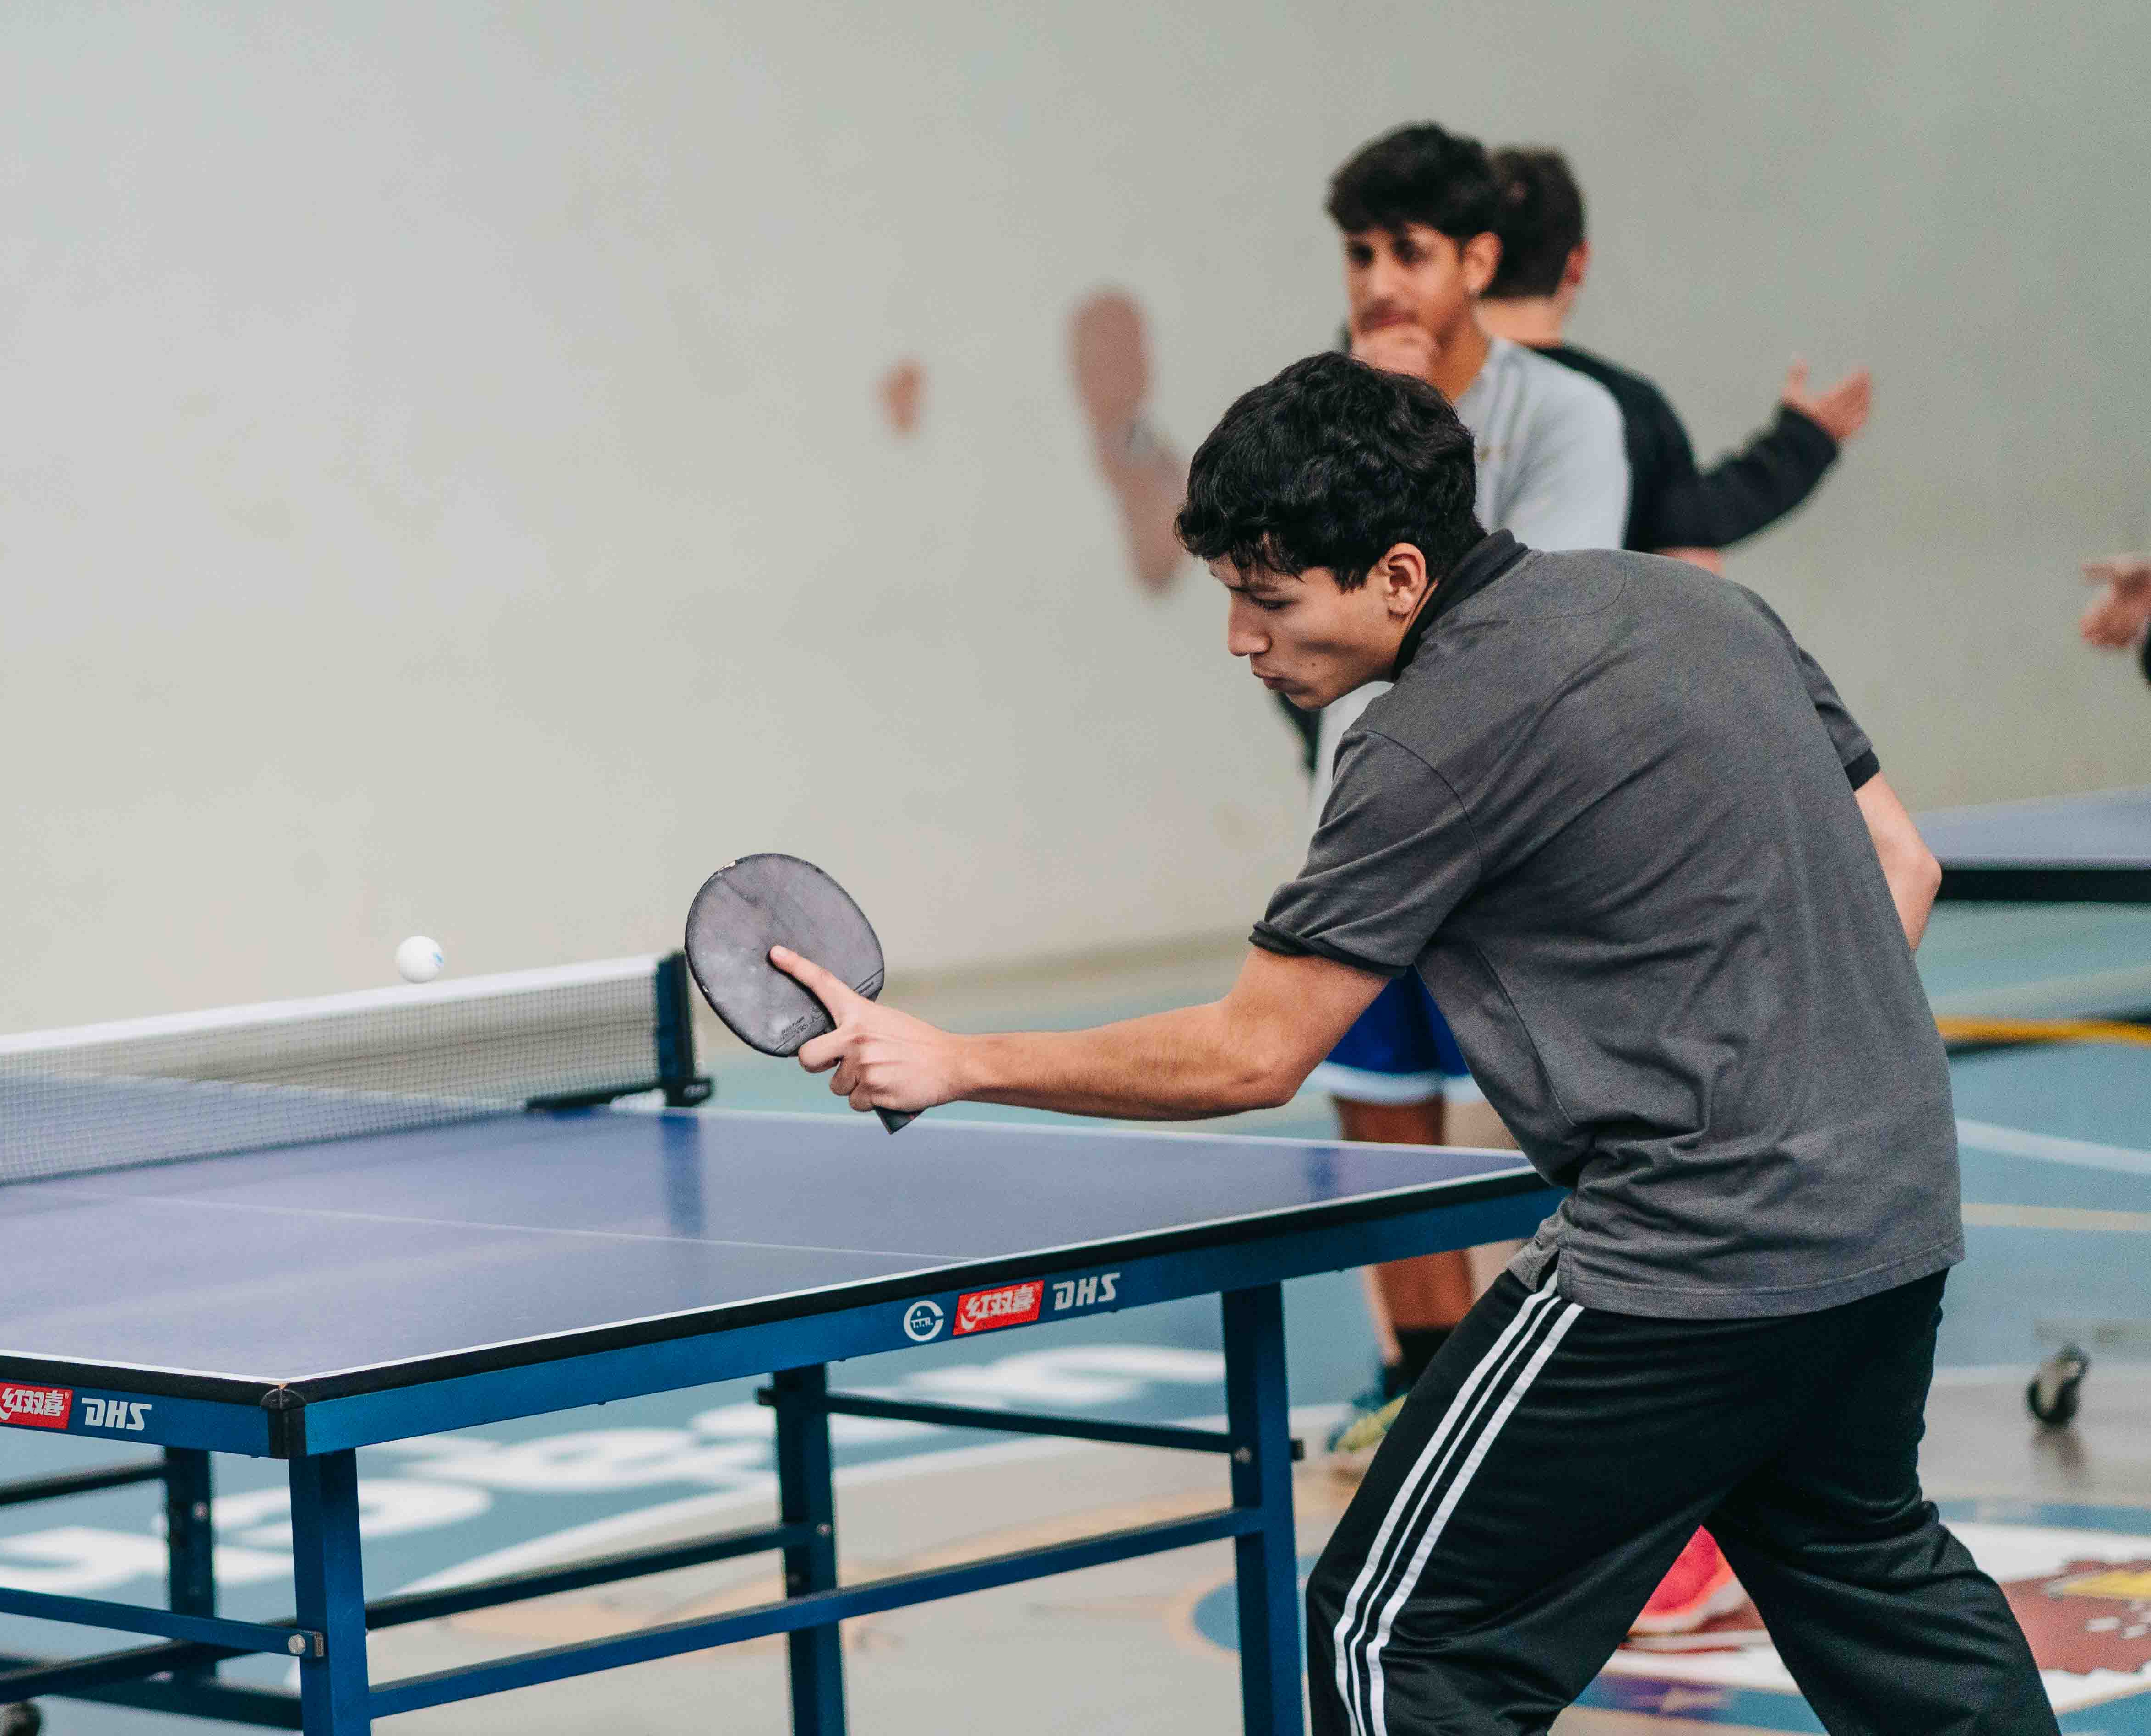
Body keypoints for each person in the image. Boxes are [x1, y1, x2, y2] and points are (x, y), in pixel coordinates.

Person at [780, 353, 2050, 1734]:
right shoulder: (1701, 605)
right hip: (1890, 1206)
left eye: (1269, 599)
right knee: (1869, 1576)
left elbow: (1250, 1053)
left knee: (1391, 1642)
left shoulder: (1427, 741)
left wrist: (958, 1059)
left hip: (1690, 1254)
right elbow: (1903, 861)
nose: (1239, 639)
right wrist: (1779, 1064)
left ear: (1396, 576)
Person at [1306, 124, 1630, 1451]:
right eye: (1360, 253)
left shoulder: (1570, 416)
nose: (1380, 281)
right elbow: (1305, 610)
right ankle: (1422, 1387)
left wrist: (1407, 438)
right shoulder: (1320, 415)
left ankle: (1583, 1400)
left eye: (1411, 252)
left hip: (1528, 842)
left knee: (1571, 1126)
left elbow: (1523, 627)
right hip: (1376, 817)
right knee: (1380, 1114)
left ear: (1479, 262)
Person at [1476, 147, 1872, 572]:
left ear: (1473, 259)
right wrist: (1800, 444)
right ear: (1578, 262)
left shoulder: (1430, 384)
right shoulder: (1629, 410)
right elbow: (1689, 543)